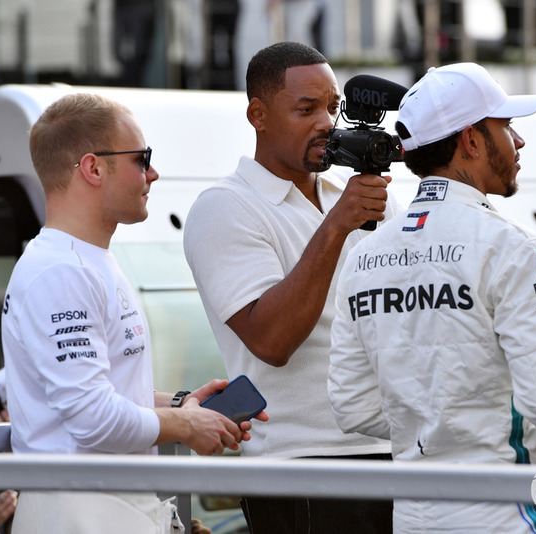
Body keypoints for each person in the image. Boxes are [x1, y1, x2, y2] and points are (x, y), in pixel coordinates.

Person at [327, 62, 536, 533]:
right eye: (506, 126)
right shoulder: (512, 247)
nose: (520, 141)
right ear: (471, 140)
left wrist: (437, 422)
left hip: (413, 518)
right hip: (508, 514)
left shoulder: (364, 254)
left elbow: (351, 405)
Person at [2, 92, 266, 533]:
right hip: (81, 513)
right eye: (142, 159)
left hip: (104, 507)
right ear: (92, 168)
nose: (153, 173)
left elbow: (104, 394)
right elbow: (90, 416)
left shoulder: (83, 260)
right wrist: (184, 423)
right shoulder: (60, 271)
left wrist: (185, 404)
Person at [183, 41, 395, 533]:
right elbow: (271, 340)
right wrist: (337, 226)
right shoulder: (224, 207)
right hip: (300, 465)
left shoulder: (355, 199)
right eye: (307, 109)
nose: (327, 122)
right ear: (258, 114)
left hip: (392, 454)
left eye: (333, 107)